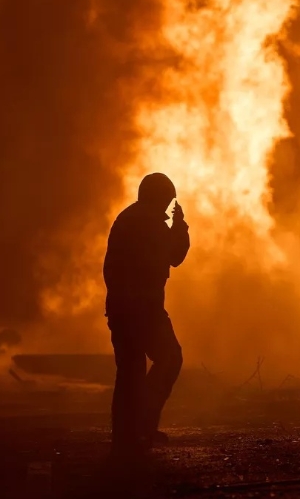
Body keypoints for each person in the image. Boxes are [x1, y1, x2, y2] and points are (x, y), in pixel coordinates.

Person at [103, 172, 190, 456]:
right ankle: (142, 422)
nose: (167, 207)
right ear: (158, 197)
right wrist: (180, 227)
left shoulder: (129, 218)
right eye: (166, 200)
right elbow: (174, 256)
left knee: (129, 372)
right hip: (143, 309)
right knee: (169, 358)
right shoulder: (149, 223)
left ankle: (127, 437)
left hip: (122, 309)